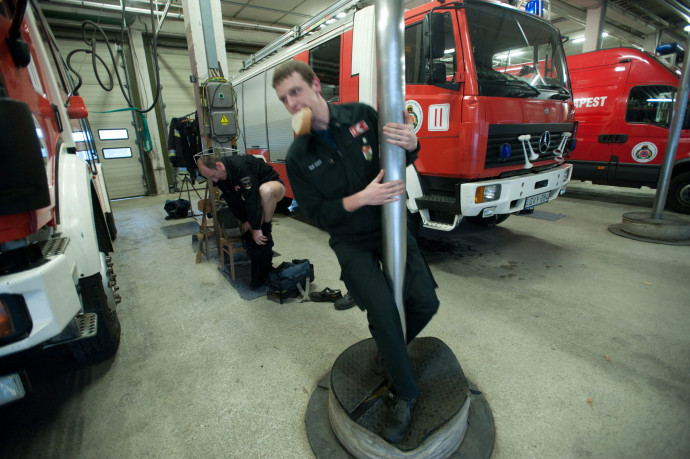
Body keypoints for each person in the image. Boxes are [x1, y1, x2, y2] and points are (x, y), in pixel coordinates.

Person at [272, 60, 439, 443]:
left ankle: (389, 353)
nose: (292, 104)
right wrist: (360, 198)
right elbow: (315, 212)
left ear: (315, 85)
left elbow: (397, 158)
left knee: (425, 302)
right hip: (351, 240)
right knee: (382, 312)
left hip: (390, 224)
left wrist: (413, 145)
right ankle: (406, 393)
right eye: (284, 100)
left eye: (295, 92)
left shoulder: (361, 116)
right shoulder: (298, 155)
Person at [197, 154, 286, 288]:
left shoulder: (241, 167)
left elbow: (251, 198)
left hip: (274, 188)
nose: (214, 180)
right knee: (255, 235)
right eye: (210, 178)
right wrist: (245, 220)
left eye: (213, 176)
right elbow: (232, 200)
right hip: (256, 196)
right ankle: (263, 270)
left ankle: (267, 227)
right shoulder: (219, 176)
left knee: (264, 194)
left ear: (219, 166)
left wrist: (257, 228)